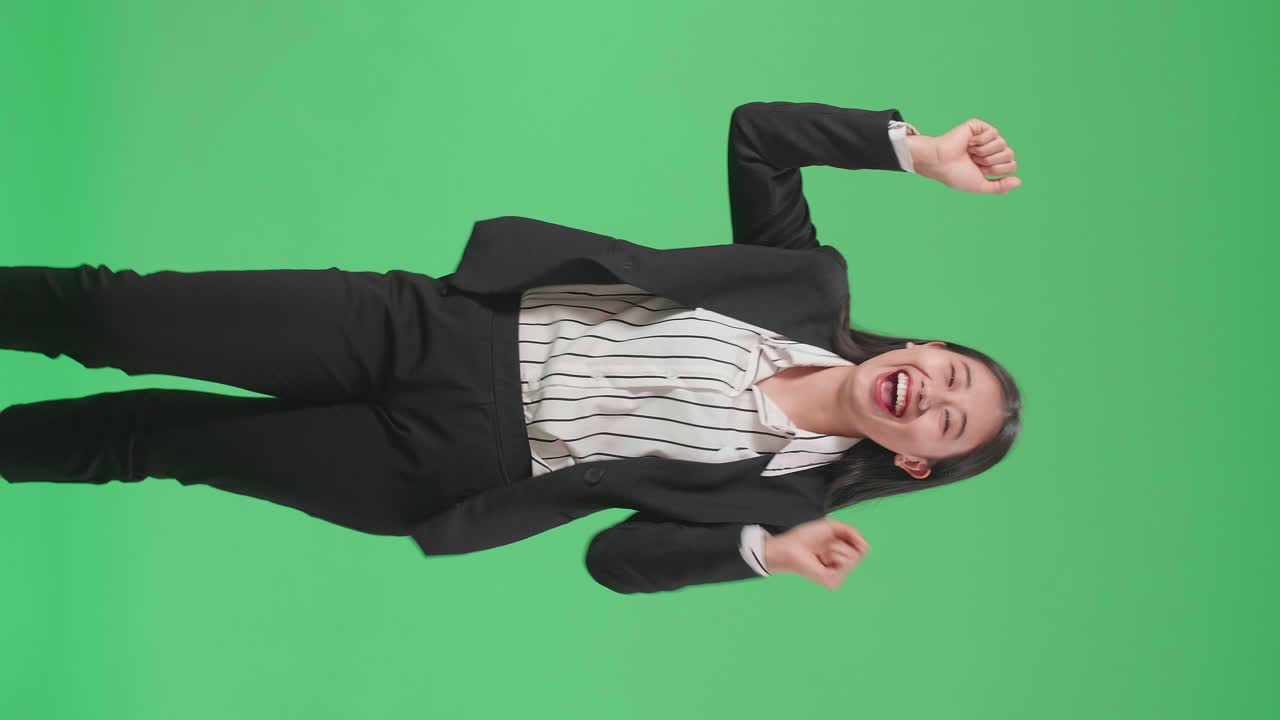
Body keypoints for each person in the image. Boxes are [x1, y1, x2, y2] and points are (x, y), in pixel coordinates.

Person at [0, 100, 1023, 595]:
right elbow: (759, 136)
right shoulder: (806, 284)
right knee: (118, 314)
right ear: (924, 346)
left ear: (913, 460)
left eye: (947, 421)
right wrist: (913, 153)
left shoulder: (788, 506)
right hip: (440, 329)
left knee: (155, 443)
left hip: (448, 466)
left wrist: (764, 553)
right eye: (950, 374)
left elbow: (616, 560)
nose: (930, 393)